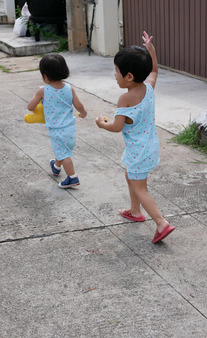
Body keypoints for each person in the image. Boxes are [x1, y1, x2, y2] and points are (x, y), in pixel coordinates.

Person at [95, 32, 175, 243]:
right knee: (131, 177)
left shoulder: (126, 98)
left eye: (117, 71)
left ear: (129, 76)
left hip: (137, 151)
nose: (114, 75)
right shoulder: (148, 88)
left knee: (141, 188)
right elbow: (155, 70)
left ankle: (160, 222)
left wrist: (102, 124)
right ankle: (135, 211)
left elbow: (116, 126)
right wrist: (151, 50)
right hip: (150, 147)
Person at [27, 54, 88, 188]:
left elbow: (30, 107)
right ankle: (55, 167)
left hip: (56, 130)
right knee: (62, 150)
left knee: (64, 154)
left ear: (45, 76)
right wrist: (83, 113)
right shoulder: (69, 88)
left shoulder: (42, 91)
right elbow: (79, 105)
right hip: (70, 129)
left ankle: (72, 177)